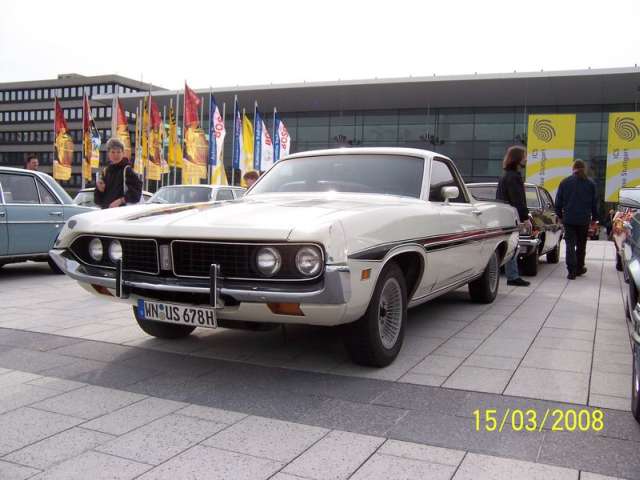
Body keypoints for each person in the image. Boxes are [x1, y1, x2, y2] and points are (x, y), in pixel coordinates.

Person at [555, 159, 598, 280]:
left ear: (573, 168)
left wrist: (560, 216)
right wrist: (594, 218)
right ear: (584, 169)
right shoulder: (590, 184)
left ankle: (571, 271)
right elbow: (594, 204)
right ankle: (579, 267)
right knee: (581, 244)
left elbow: (558, 202)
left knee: (570, 244)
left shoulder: (564, 182)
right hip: (583, 219)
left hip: (569, 219)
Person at [496, 145, 531, 287]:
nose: (526, 159)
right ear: (518, 159)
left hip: (504, 214)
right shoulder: (514, 177)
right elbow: (518, 200)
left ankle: (512, 275)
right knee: (513, 245)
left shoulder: (506, 175)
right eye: (524, 156)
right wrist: (525, 218)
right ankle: (512, 276)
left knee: (511, 245)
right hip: (511, 216)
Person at [95, 138, 142, 209]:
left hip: (121, 213)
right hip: (106, 212)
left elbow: (137, 192)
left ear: (123, 153)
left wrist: (121, 200)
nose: (116, 155)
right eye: (113, 152)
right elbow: (98, 201)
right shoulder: (106, 170)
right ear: (108, 154)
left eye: (118, 152)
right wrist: (100, 190)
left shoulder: (127, 170)